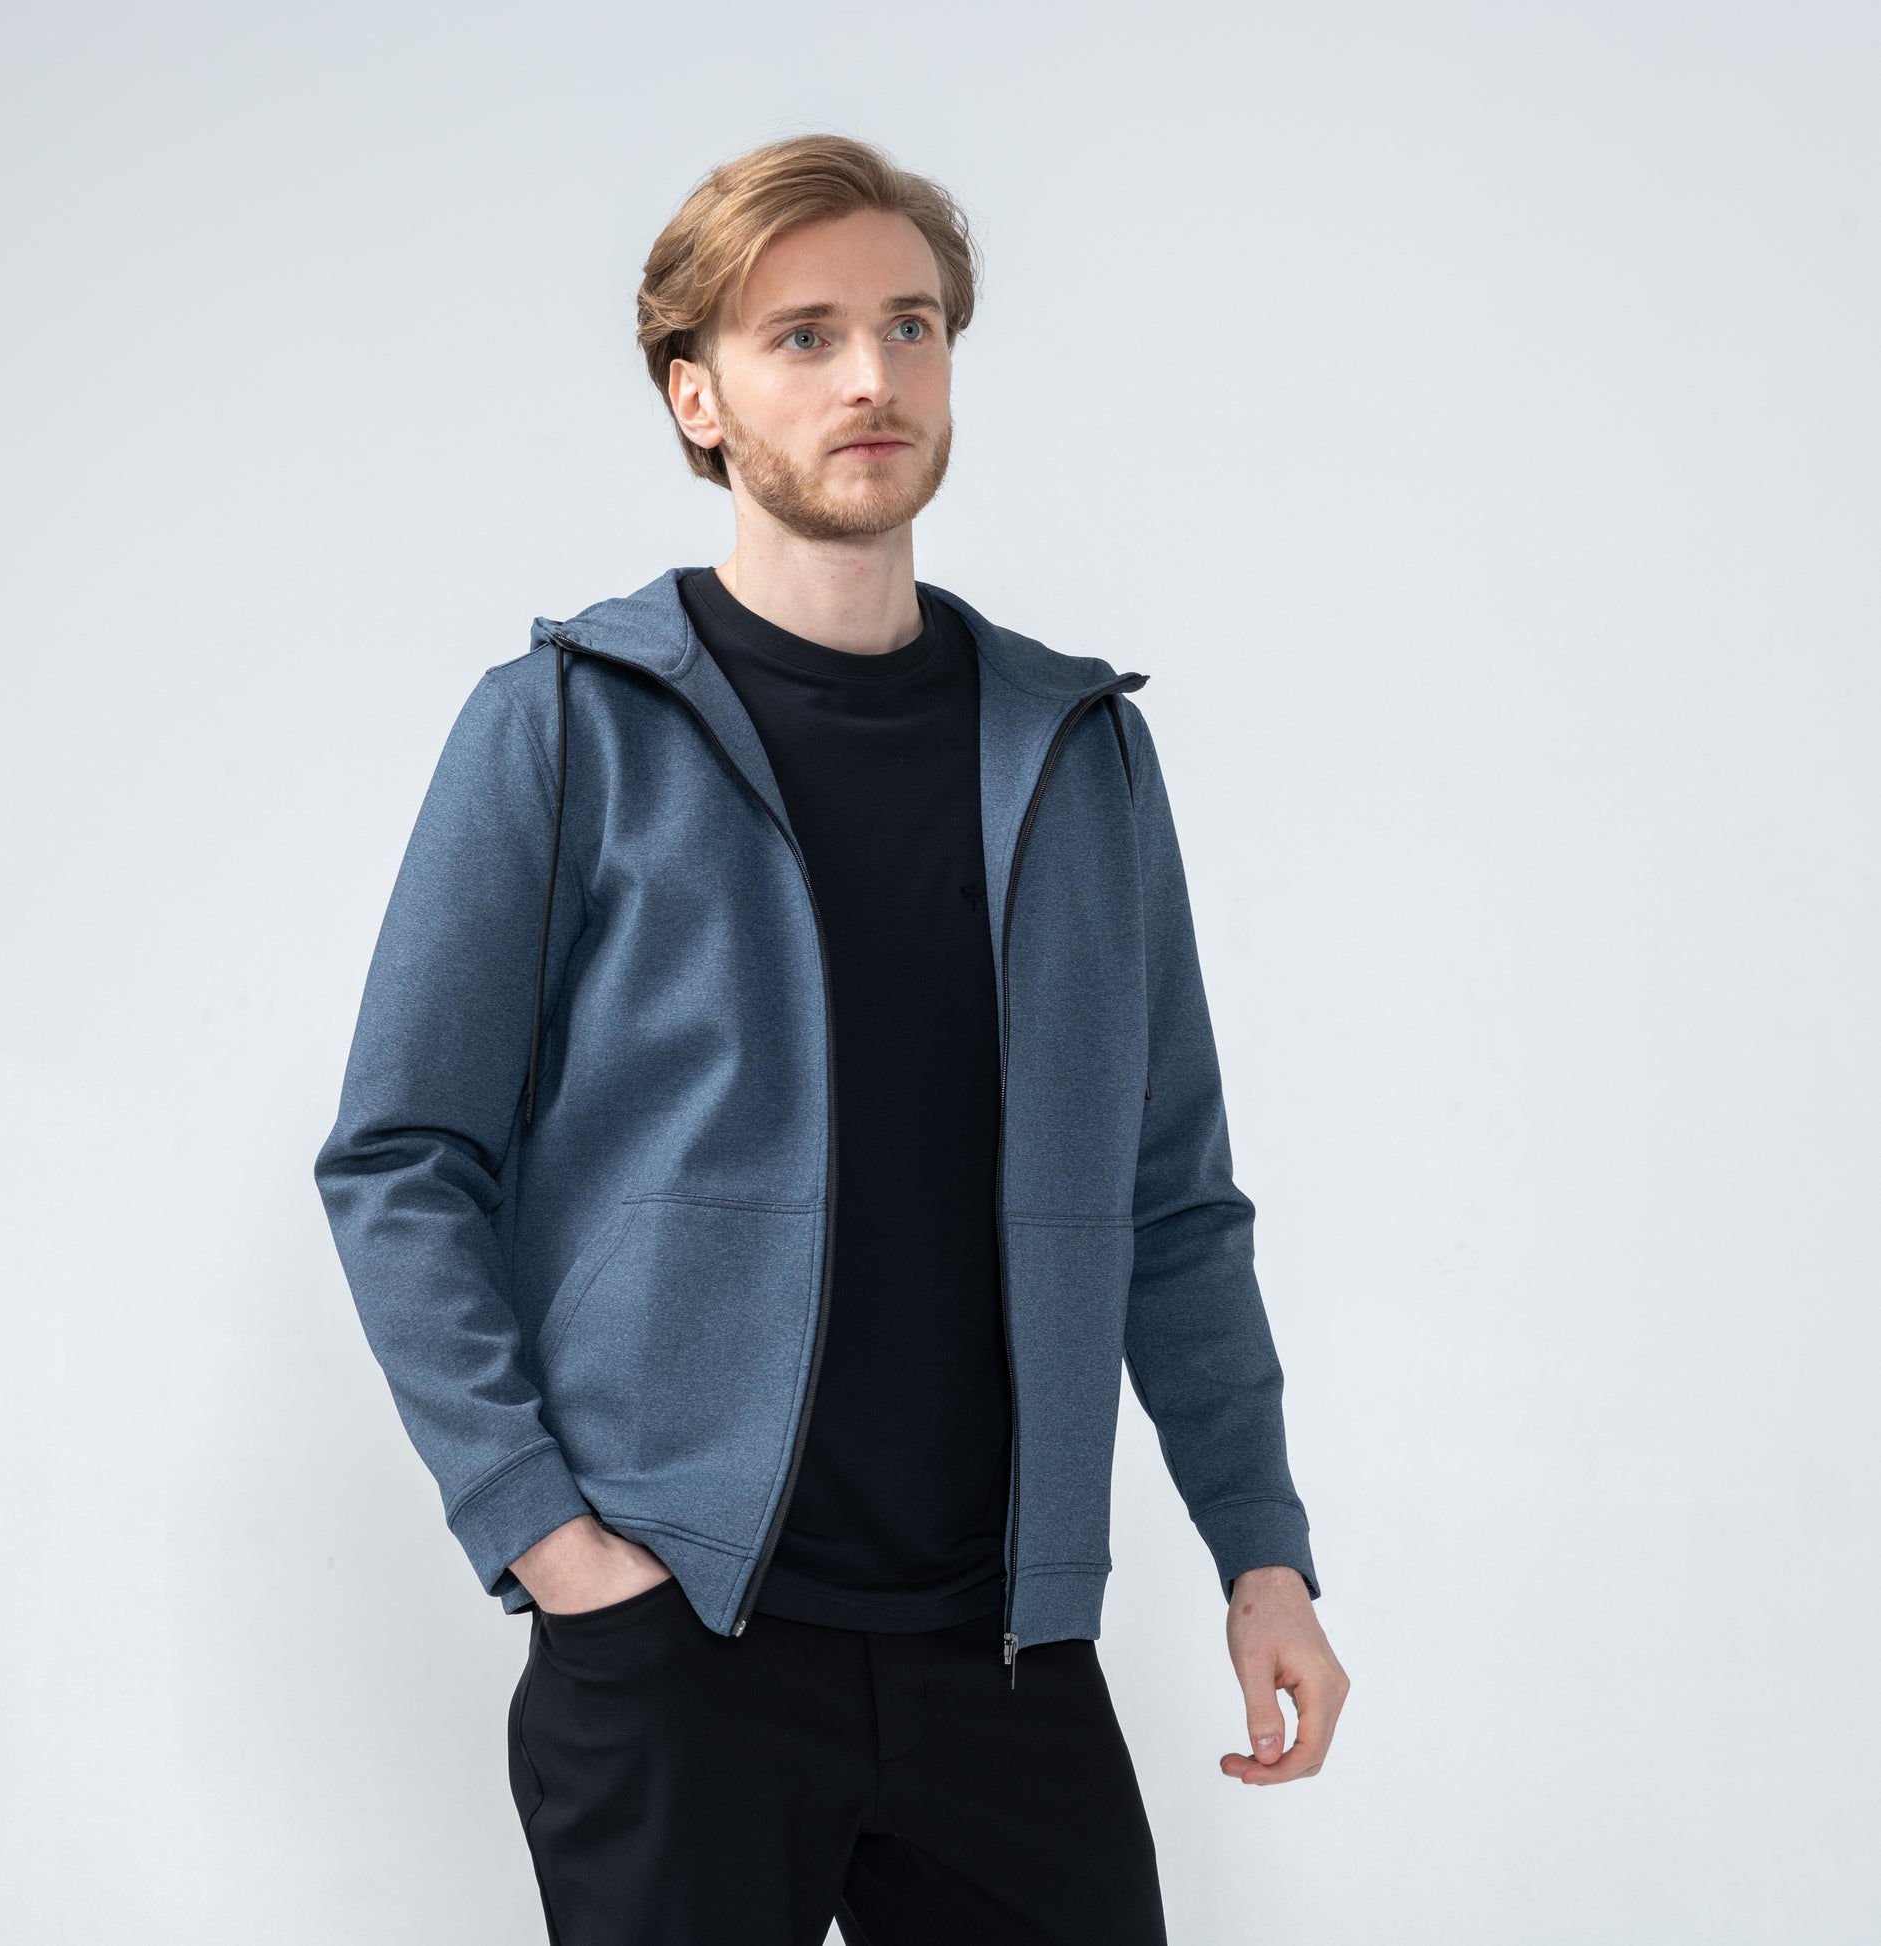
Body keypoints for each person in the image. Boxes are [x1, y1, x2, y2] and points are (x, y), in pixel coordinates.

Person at [313, 131, 1348, 1945]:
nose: (872, 375)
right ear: (696, 397)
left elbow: (1172, 1200)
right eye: (803, 335)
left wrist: (1260, 1549)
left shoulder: (1080, 754)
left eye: (909, 325)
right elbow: (402, 1160)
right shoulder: (568, 726)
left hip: (1006, 1648)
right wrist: (548, 1535)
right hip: (681, 1637)